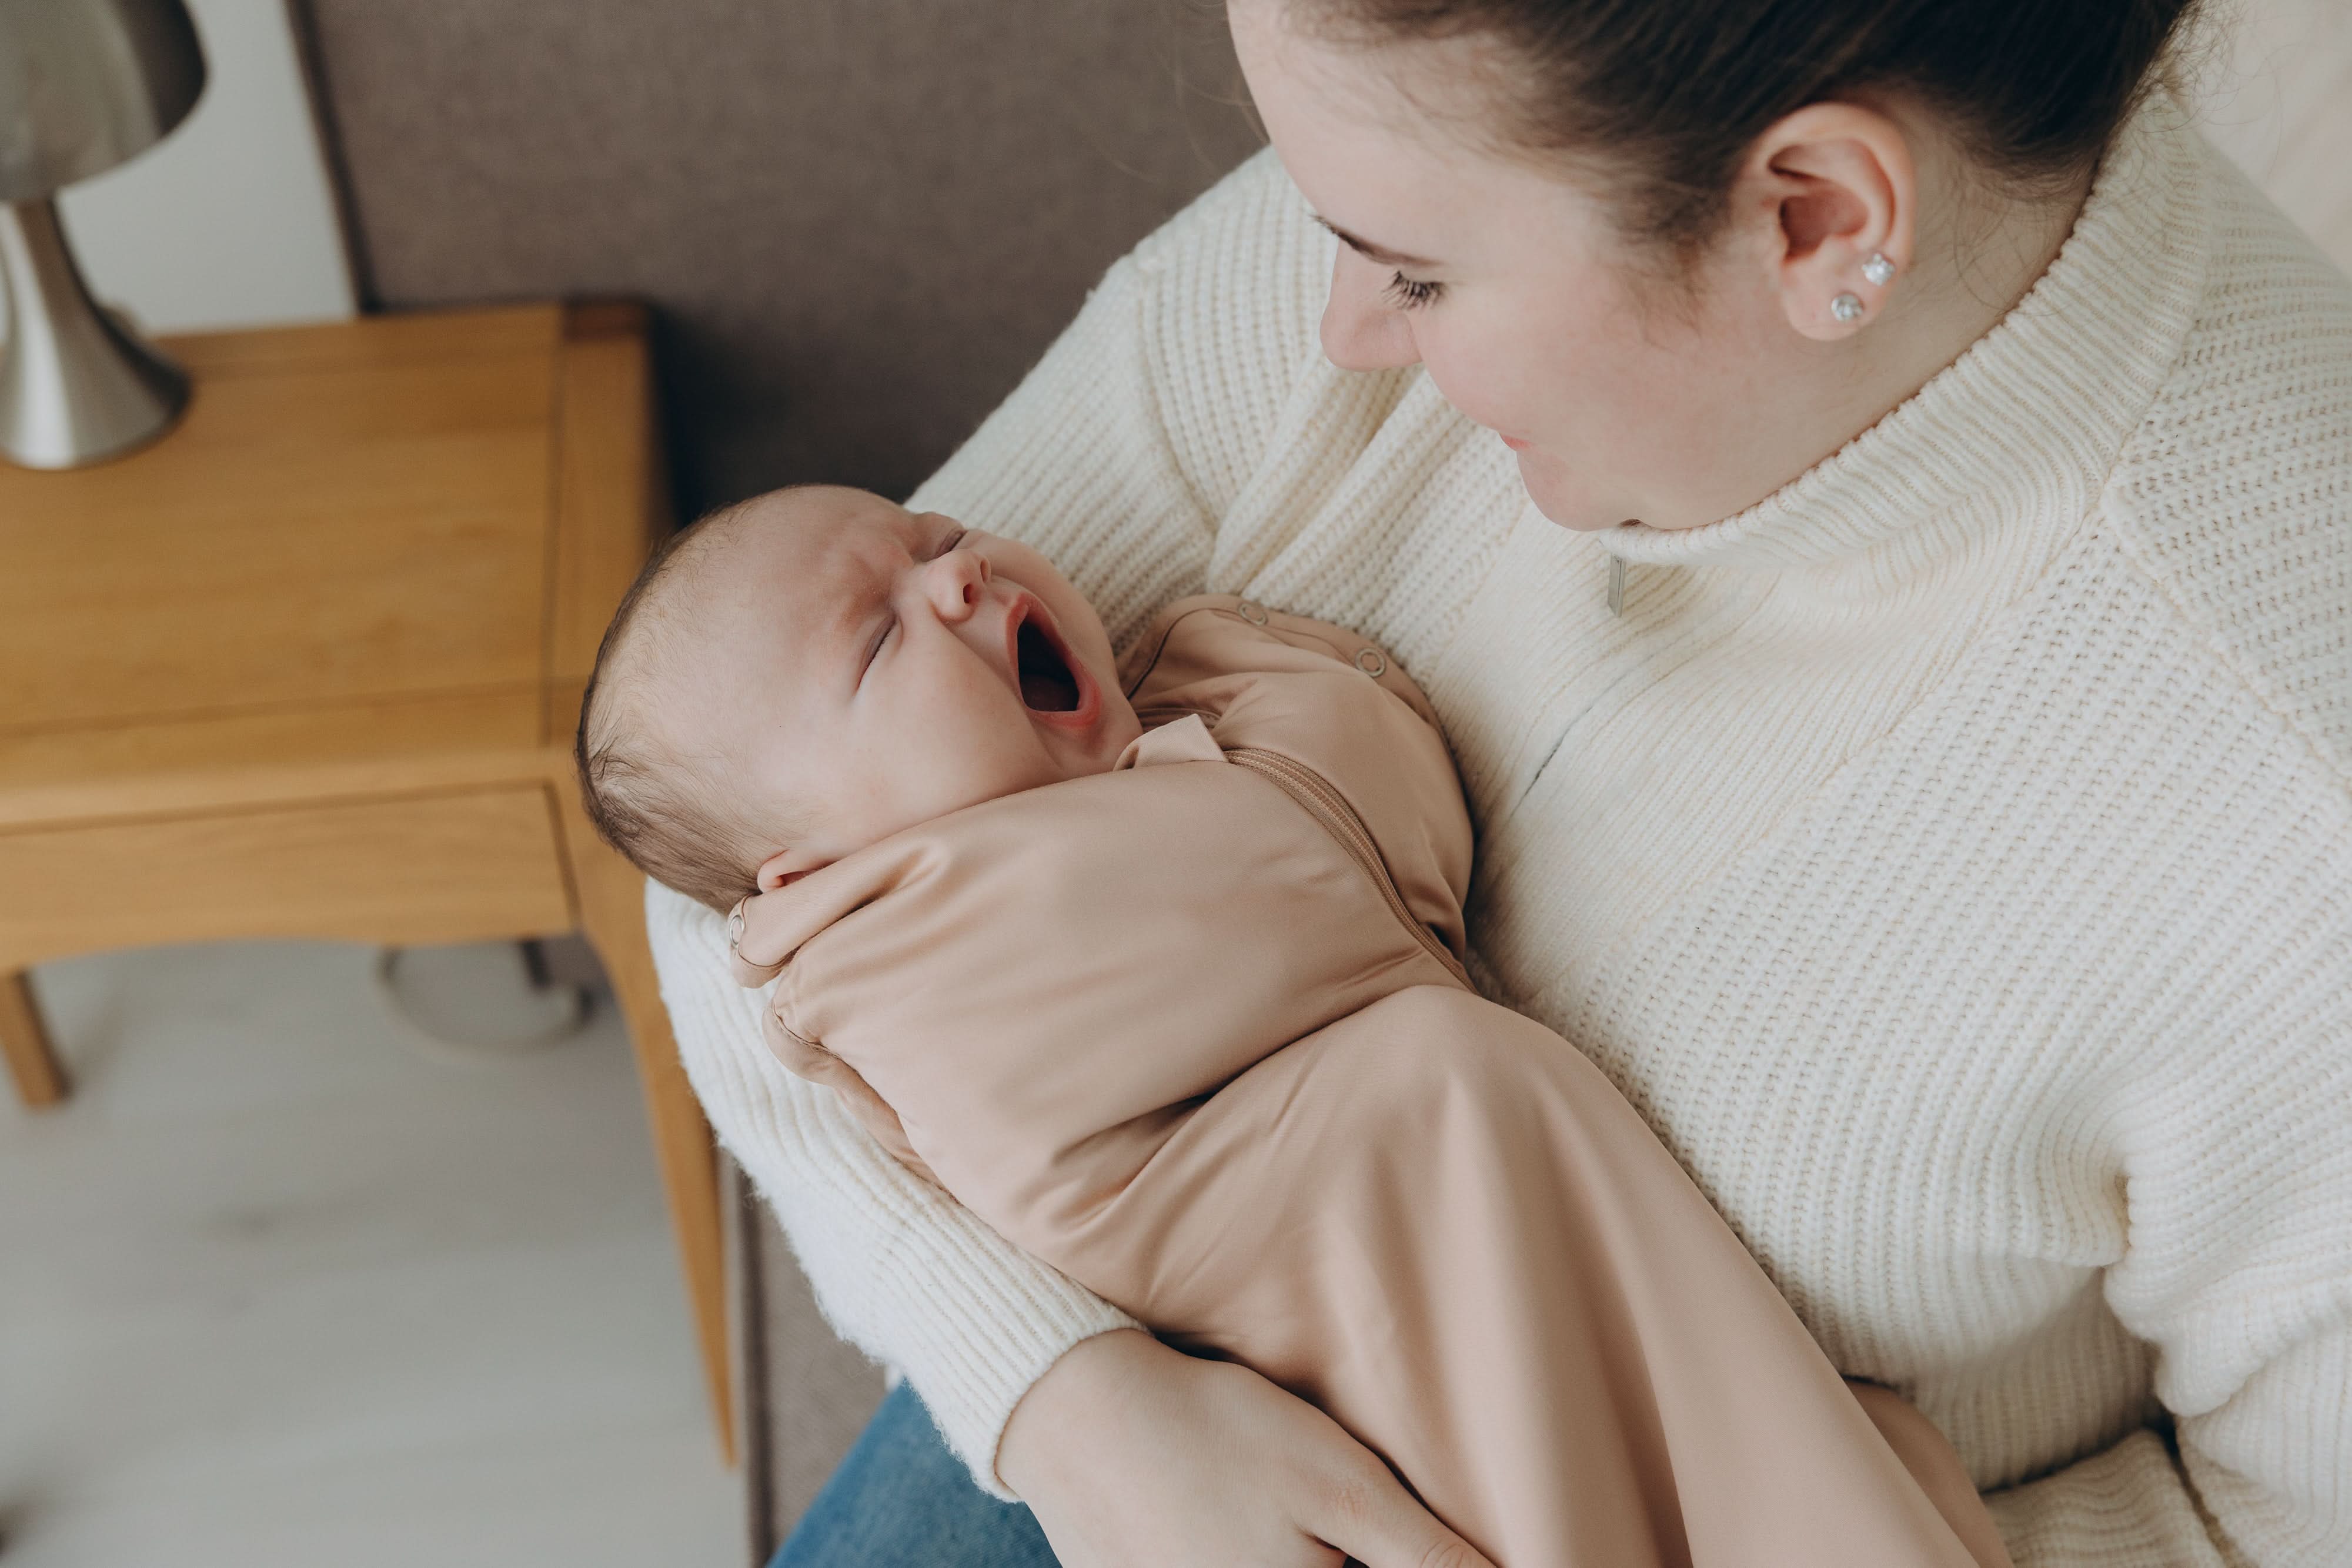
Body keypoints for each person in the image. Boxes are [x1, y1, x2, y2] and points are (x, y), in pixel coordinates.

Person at [643, 0, 2352, 1563]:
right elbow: (728, 835)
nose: (1339, 328)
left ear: (1814, 219)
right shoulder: (1429, 155)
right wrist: (1058, 1394)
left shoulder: (2290, 795)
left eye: (1414, 279)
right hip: (1131, 1377)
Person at [578, 483, 2016, 1566]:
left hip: (1467, 1249)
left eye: (937, 537)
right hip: (1310, 1303)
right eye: (878, 639)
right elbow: (1327, 881)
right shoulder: (905, 963)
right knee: (1449, 1108)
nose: (955, 576)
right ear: (806, 876)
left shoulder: (1166, 731)